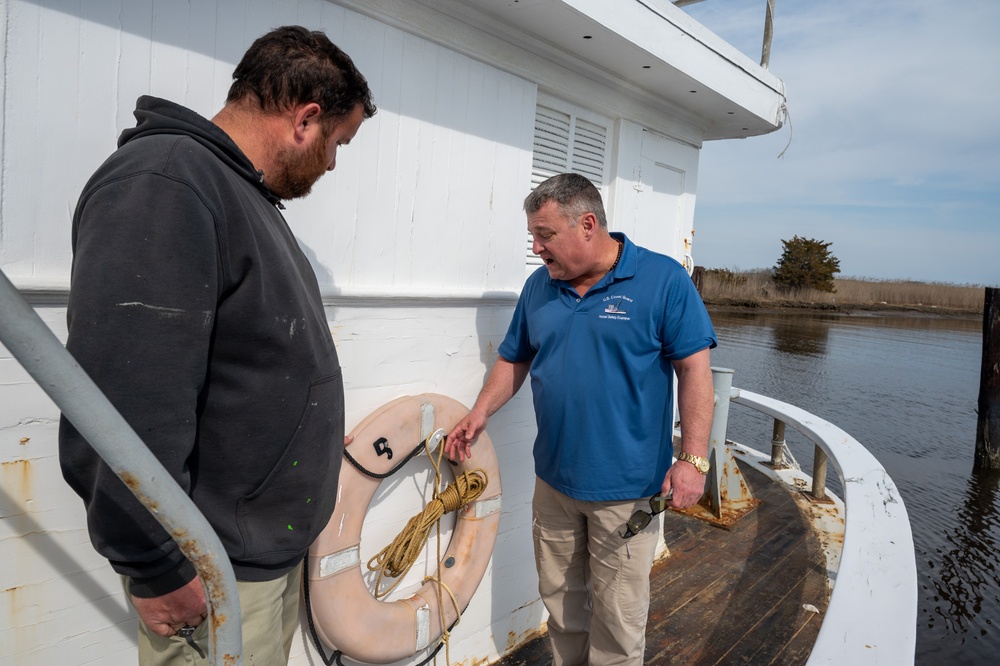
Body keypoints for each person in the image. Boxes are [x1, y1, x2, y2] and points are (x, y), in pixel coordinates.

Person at [58, 26, 376, 665]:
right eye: (339, 143)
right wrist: (154, 564)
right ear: (306, 119)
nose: (334, 163)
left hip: (259, 558)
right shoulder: (166, 183)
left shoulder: (238, 193)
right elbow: (123, 396)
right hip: (210, 570)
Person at [446, 172, 717, 665]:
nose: (536, 248)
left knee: (618, 620)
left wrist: (693, 460)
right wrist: (479, 412)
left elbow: (694, 369)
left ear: (587, 225)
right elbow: (515, 357)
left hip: (628, 490)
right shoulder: (539, 287)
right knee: (562, 608)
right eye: (533, 236)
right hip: (553, 485)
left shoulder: (663, 281)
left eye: (545, 235)